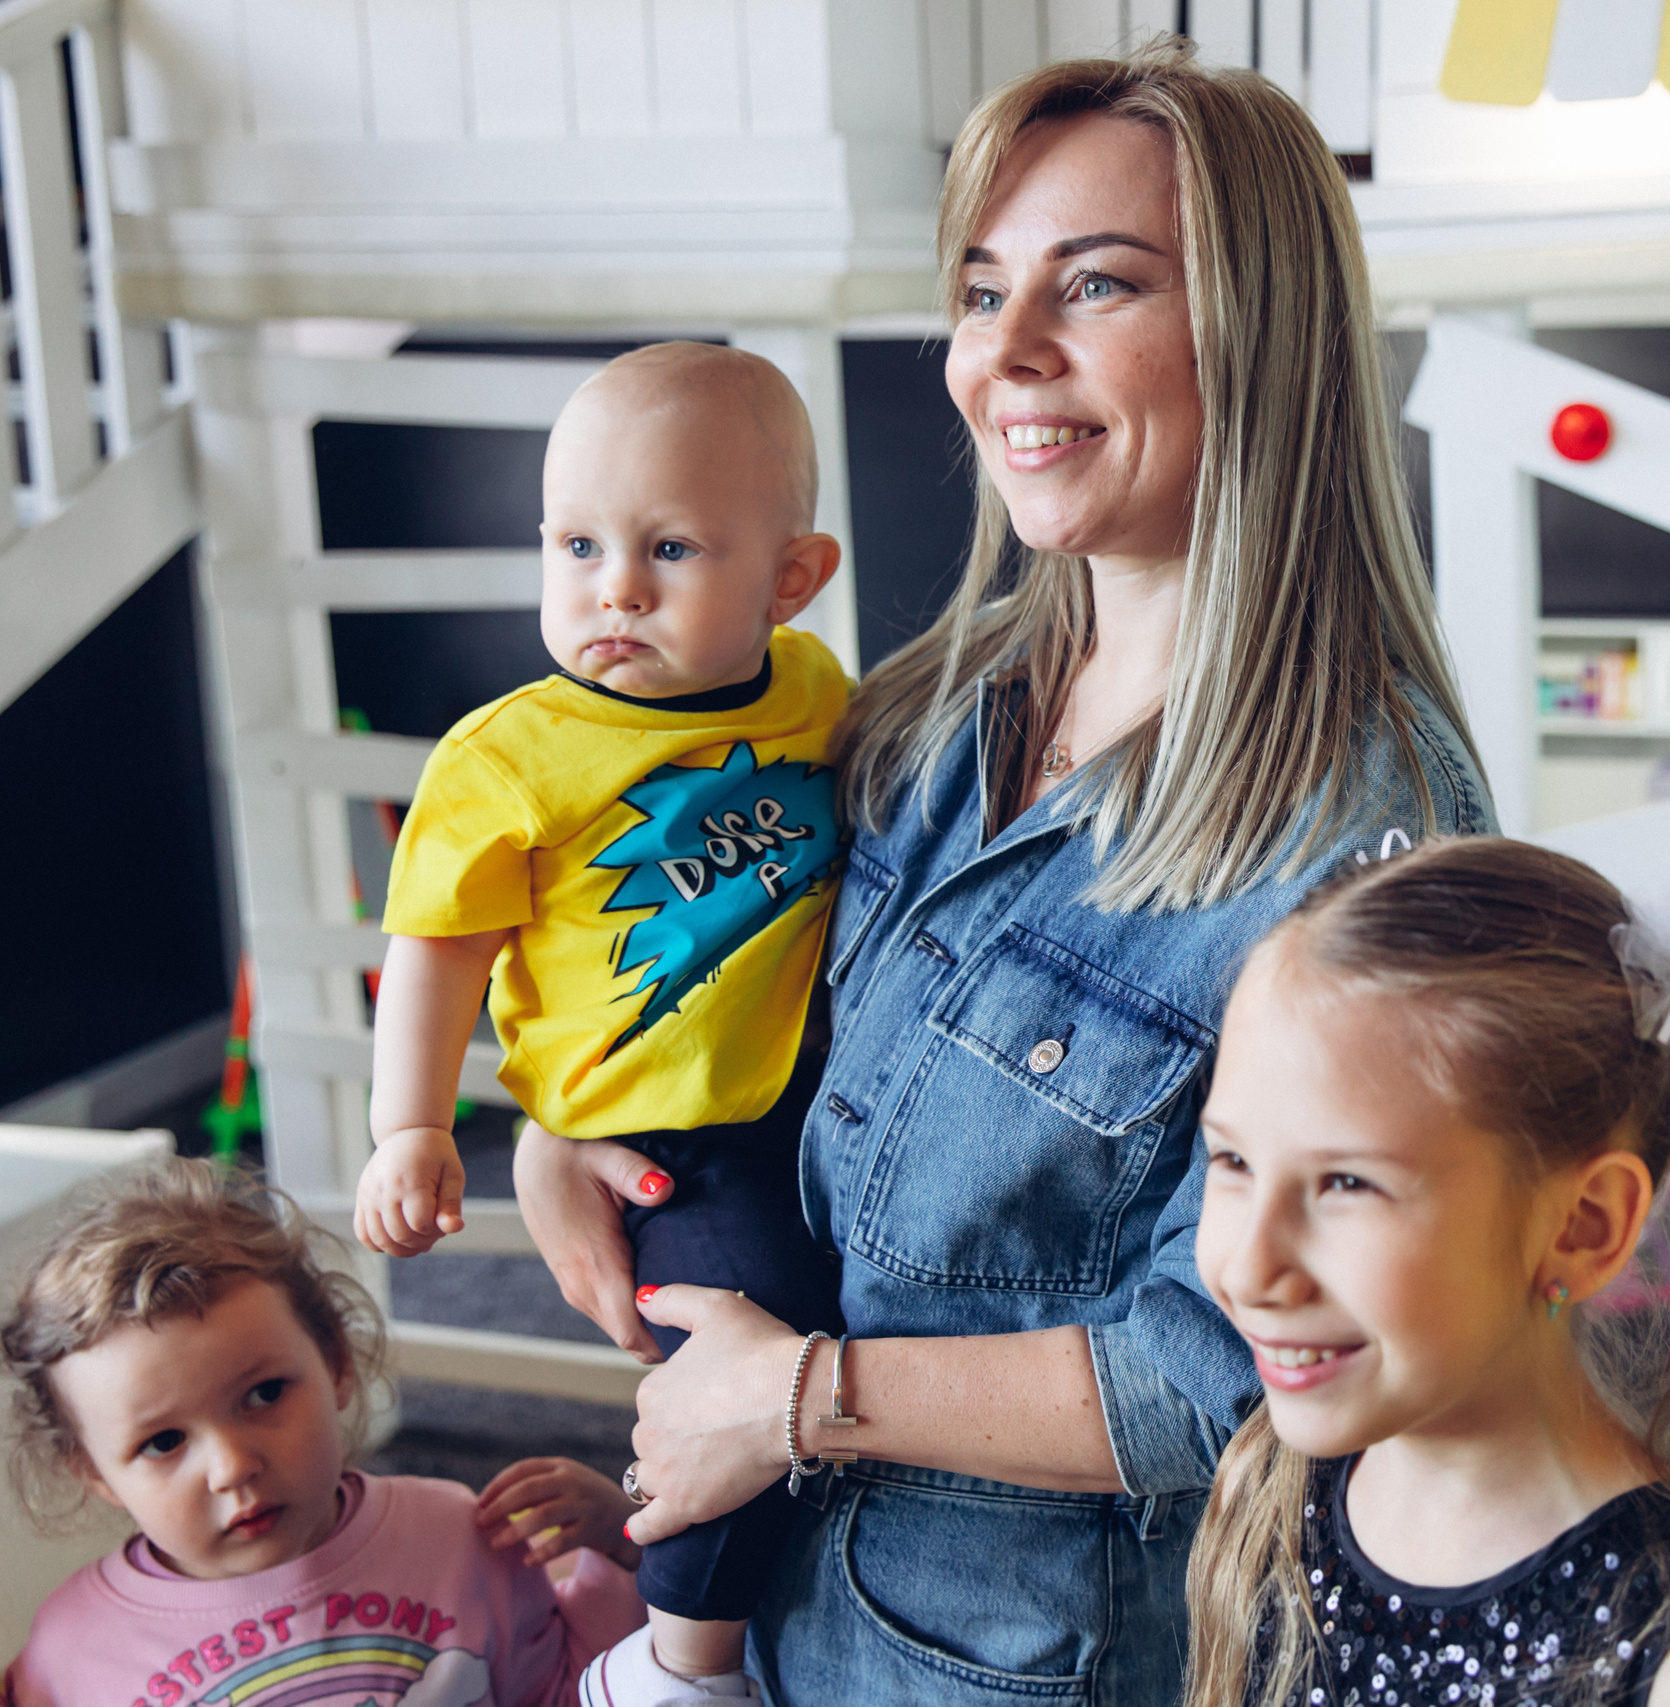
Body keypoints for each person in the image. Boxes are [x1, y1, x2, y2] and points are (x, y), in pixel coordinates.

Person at [506, 41, 1491, 1706]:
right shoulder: (916, 715)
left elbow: (1258, 1363)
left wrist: (802, 1395)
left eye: (1093, 285)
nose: (1005, 356)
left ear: (1264, 328)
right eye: (979, 291)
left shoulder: (1363, 826)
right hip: (781, 1613)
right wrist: (575, 1120)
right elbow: (732, 986)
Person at [351, 339, 851, 1698]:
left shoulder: (817, 695)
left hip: (815, 1097)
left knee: (873, 1333)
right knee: (763, 1352)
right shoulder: (508, 754)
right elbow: (436, 950)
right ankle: (680, 1664)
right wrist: (413, 1125)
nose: (613, 586)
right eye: (575, 543)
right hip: (662, 1143)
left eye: (672, 548)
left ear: (792, 577)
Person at [1187, 837, 1670, 1707]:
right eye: (1231, 1161)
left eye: (1347, 1183)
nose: (1249, 1264)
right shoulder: (1268, 1494)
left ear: (1582, 1226)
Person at [1, 1159, 645, 1707]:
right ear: (90, 1468)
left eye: (264, 1394)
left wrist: (618, 1544)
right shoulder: (66, 1657)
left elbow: (572, 1691)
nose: (232, 1466)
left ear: (336, 1361)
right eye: (164, 1442)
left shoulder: (463, 1538)